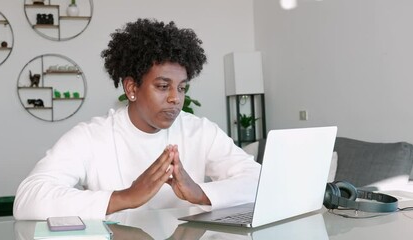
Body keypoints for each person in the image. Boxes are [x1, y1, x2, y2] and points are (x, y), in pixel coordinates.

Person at [13, 18, 261, 220]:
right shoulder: (91, 136)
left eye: (182, 88)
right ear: (131, 88)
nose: (176, 98)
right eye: (163, 86)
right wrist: (126, 197)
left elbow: (259, 181)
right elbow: (28, 199)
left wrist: (200, 193)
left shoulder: (200, 131)